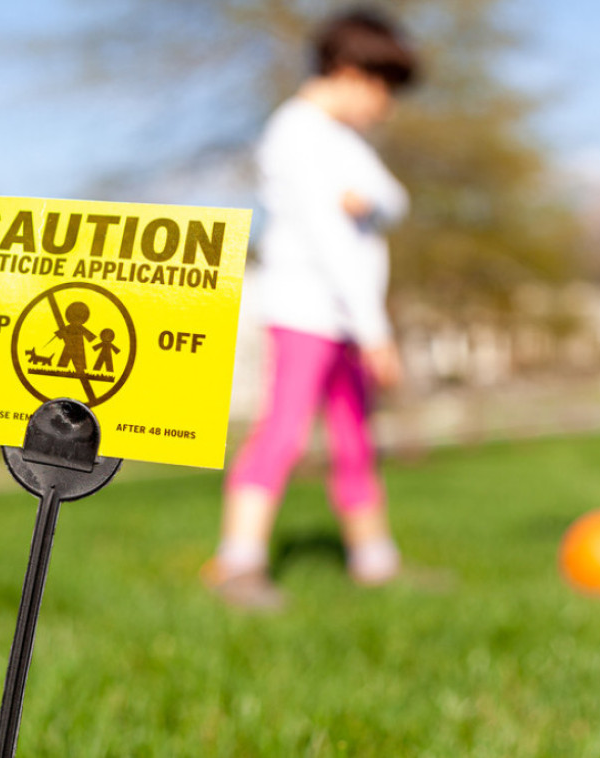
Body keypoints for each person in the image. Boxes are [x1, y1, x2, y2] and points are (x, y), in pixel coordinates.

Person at [201, 8, 418, 609]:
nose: (386, 108)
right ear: (349, 71)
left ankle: (375, 561)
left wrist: (369, 198)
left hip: (346, 318)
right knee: (284, 431)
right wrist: (376, 331)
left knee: (354, 438)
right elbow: (329, 242)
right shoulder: (296, 134)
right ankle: (238, 562)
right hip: (304, 311)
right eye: (383, 90)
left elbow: (395, 200)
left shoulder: (345, 141)